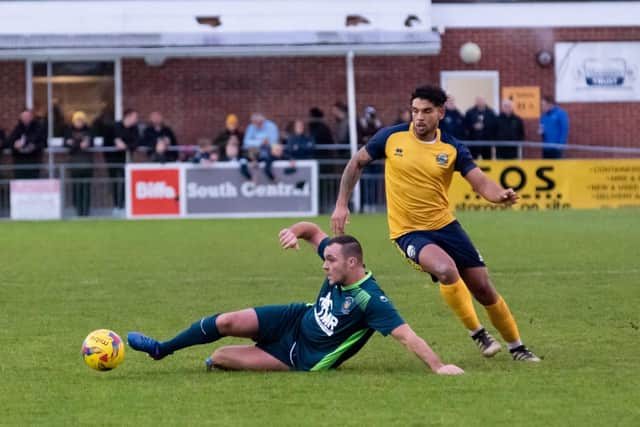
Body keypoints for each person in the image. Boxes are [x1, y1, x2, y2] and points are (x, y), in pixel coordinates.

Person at [331, 85, 540, 362]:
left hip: (446, 226)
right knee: (445, 269)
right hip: (408, 232)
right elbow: (356, 163)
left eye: (427, 111)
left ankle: (518, 348)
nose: (419, 117)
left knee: (483, 287)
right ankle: (478, 333)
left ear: (441, 112)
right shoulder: (391, 137)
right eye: (415, 111)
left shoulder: (452, 148)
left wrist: (499, 195)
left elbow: (480, 182)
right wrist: (341, 204)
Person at [127, 221, 464, 374]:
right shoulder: (337, 262)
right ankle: (161, 349)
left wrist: (439, 367)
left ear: (352, 263)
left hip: (301, 356)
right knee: (226, 321)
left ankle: (228, 360)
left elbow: (406, 336)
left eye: (330, 261)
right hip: (294, 317)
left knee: (219, 356)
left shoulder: (369, 299)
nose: (324, 266)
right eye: (325, 258)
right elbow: (313, 230)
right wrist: (293, 231)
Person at [107, 109, 139, 210]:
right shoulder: (116, 126)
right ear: (128, 116)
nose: (136, 119)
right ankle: (116, 205)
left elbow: (137, 142)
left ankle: (125, 204)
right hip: (112, 158)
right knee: (115, 181)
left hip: (126, 159)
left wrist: (126, 146)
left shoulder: (134, 129)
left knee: (127, 181)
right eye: (135, 117)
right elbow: (109, 140)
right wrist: (116, 141)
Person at [63, 111, 94, 216]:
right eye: (77, 120)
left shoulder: (89, 130)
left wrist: (74, 143)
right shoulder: (68, 130)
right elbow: (67, 145)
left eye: (81, 120)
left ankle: (86, 210)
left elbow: (90, 143)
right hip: (74, 164)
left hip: (87, 164)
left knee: (86, 188)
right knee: (76, 188)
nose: (79, 122)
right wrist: (78, 144)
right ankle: (77, 210)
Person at [6, 109, 46, 179]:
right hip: (19, 161)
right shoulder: (18, 128)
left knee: (33, 180)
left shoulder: (38, 127)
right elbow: (10, 140)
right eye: (23, 117)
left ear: (31, 117)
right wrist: (14, 144)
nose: (25, 119)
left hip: (33, 160)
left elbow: (40, 140)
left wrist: (29, 144)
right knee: (19, 180)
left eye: (27, 116)